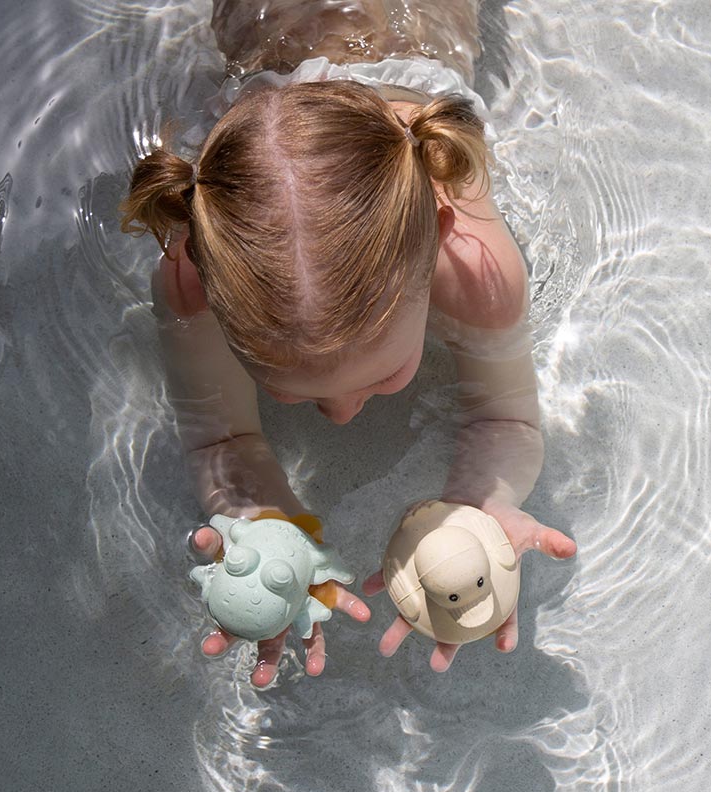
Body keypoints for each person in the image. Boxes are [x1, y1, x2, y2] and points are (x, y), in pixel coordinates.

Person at [121, 0, 576, 687]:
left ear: (440, 239)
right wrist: (260, 523)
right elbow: (218, 443)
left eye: (384, 372)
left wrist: (486, 502)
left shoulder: (478, 268)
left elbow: (507, 419)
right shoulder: (191, 281)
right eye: (287, 389)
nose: (340, 415)